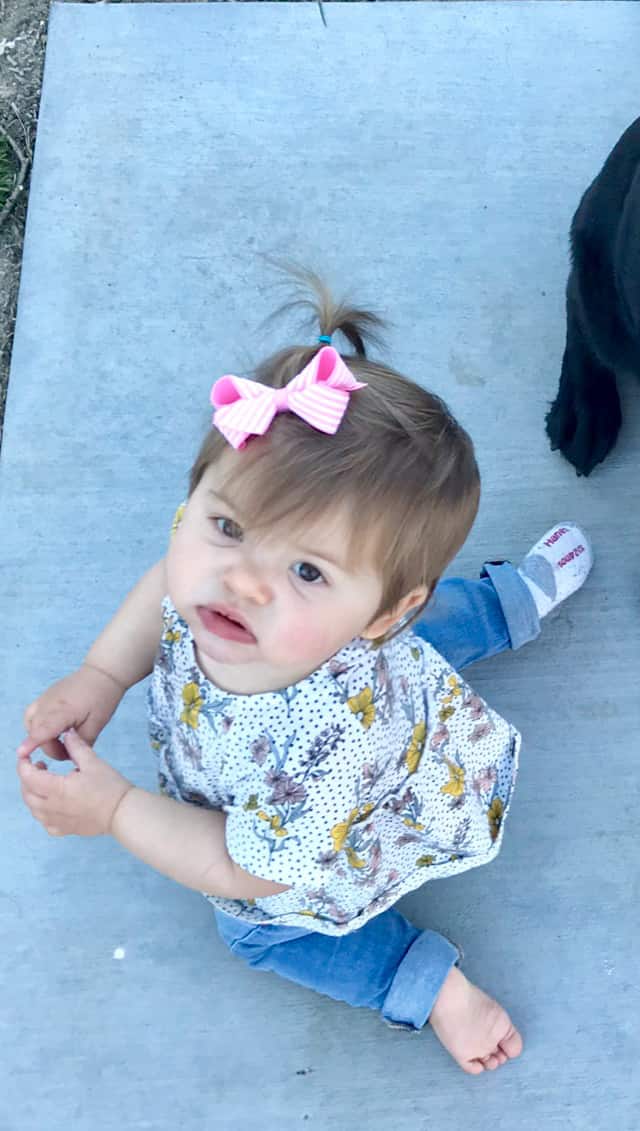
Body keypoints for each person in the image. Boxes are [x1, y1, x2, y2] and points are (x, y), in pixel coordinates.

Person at [15, 280, 592, 1075]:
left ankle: (427, 982)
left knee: (256, 930)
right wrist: (103, 675)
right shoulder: (215, 577)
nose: (243, 581)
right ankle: (501, 604)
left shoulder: (326, 756)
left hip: (307, 815)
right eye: (226, 526)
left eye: (309, 570)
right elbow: (163, 588)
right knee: (417, 641)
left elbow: (241, 865)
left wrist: (115, 810)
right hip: (335, 677)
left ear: (384, 609)